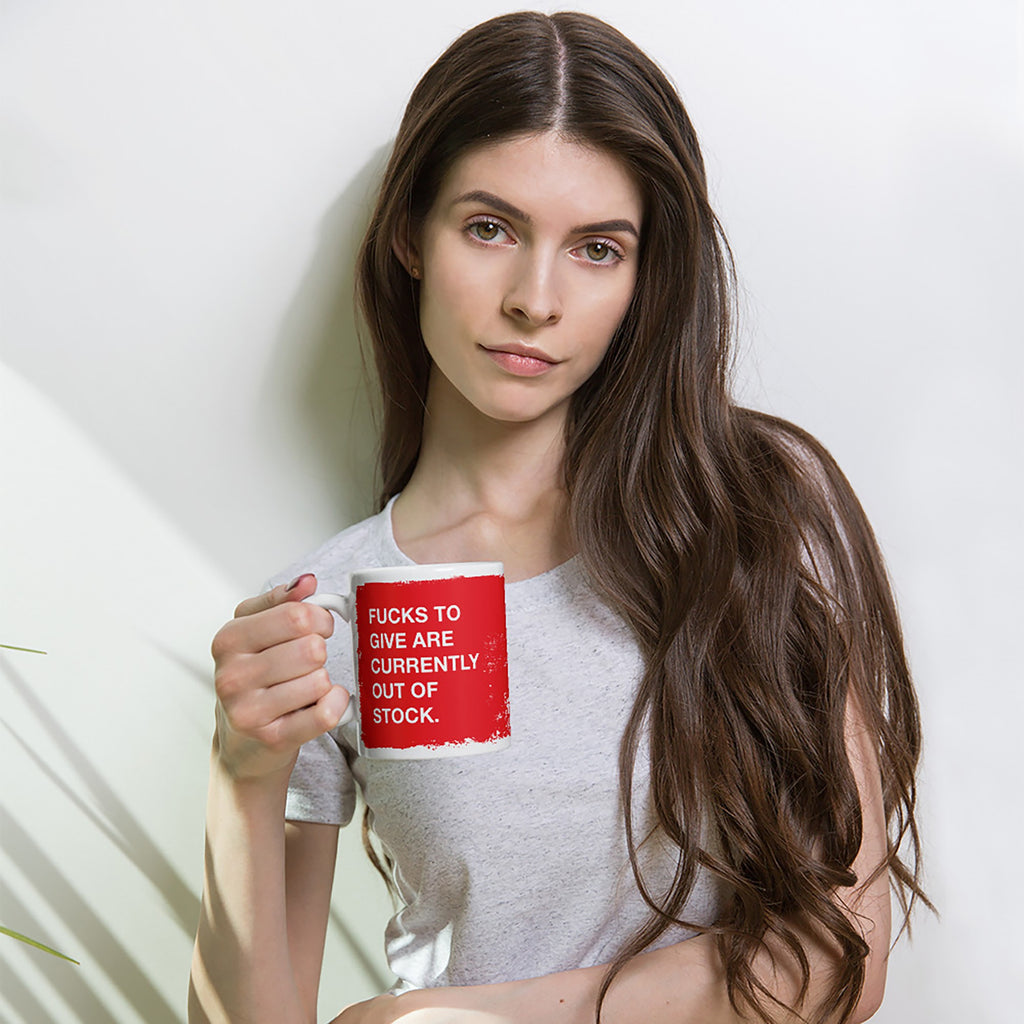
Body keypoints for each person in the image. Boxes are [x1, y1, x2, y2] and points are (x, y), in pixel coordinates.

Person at [188, 11, 928, 1024]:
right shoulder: (334, 614)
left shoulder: (757, 508)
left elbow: (834, 960)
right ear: (409, 233)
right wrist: (243, 779)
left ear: (643, 276)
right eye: (488, 228)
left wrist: (441, 1019)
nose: (535, 299)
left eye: (596, 249)